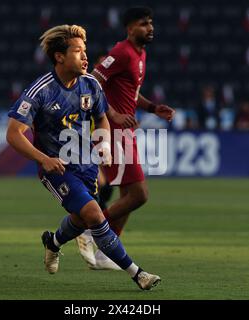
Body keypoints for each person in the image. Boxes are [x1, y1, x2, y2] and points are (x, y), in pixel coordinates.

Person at [6, 24, 160, 290]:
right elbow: (13, 133)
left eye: (85, 50)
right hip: (56, 168)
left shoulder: (90, 85)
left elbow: (101, 118)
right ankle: (138, 274)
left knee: (81, 218)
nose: (85, 56)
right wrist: (43, 159)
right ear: (59, 57)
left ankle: (53, 242)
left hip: (85, 164)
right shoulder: (40, 91)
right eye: (78, 51)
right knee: (94, 214)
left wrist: (104, 145)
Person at [76, 7, 175, 270]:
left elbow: (131, 94)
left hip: (124, 131)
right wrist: (113, 114)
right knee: (140, 195)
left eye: (151, 23)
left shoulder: (141, 54)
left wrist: (153, 107)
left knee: (127, 195)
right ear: (130, 28)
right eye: (144, 24)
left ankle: (105, 254)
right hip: (112, 131)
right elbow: (91, 82)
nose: (150, 27)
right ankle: (89, 231)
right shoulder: (121, 52)